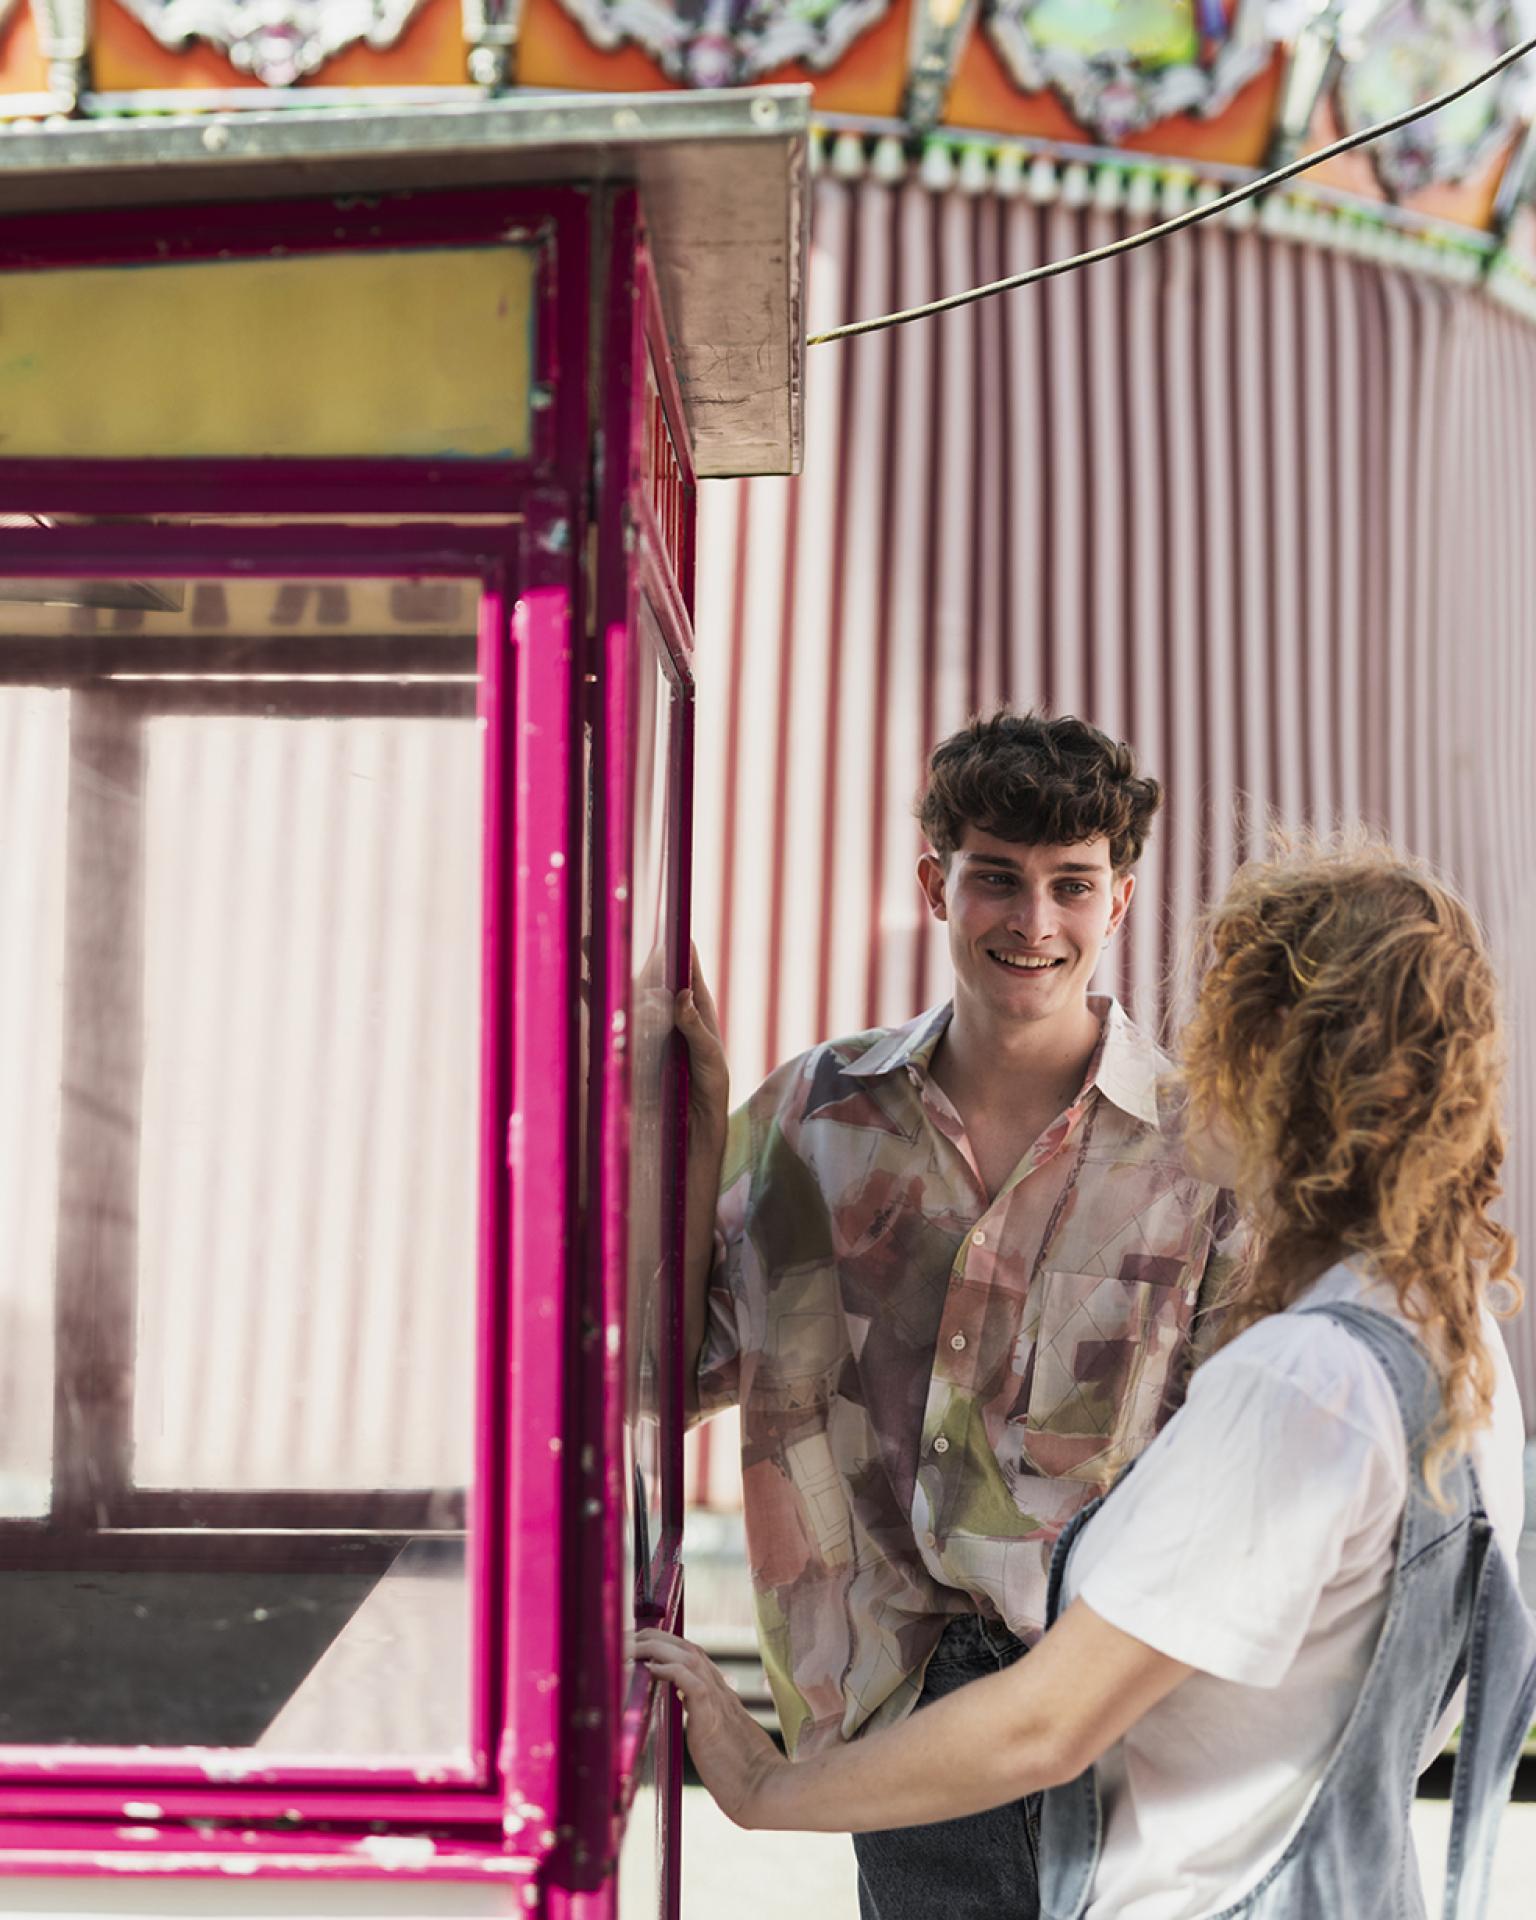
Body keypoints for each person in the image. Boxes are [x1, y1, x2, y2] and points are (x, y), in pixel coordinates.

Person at [645, 836, 1534, 1920]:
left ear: (1283, 1066)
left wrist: (762, 1786)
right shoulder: (1446, 1336)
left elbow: (1045, 1725)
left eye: (1220, 1021)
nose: (1190, 1055)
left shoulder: (1301, 1382)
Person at [674, 711, 1243, 1920]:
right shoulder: (815, 1119)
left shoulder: (1201, 1156)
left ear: (1118, 901)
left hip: (1111, 1725)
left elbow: (1242, 1477)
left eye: (1070, 885)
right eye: (998, 878)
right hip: (897, 1726)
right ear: (937, 885)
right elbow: (663, 1374)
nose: (1034, 922)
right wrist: (677, 1121)